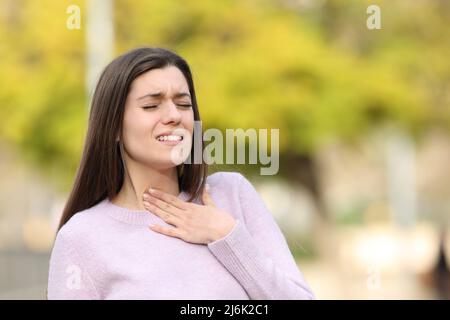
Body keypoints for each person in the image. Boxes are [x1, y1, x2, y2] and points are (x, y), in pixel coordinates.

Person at [47, 47, 315, 300]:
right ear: (114, 126)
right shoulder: (81, 238)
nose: (174, 115)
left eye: (184, 104)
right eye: (151, 106)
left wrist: (226, 235)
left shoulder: (232, 194)